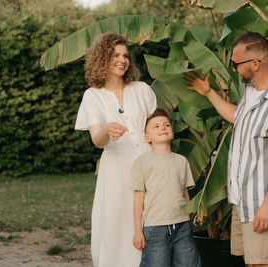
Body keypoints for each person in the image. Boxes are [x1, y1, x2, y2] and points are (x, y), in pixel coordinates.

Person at [184, 32, 268, 267]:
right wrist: (209, 92)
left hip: (261, 202)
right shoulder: (251, 91)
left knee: (261, 264)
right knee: (251, 262)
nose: (234, 69)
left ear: (256, 64)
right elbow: (237, 117)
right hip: (242, 199)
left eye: (236, 64)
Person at [75, 32, 157, 267]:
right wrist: (106, 132)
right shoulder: (92, 96)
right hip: (116, 170)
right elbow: (97, 140)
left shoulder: (142, 90)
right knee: (116, 224)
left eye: (125, 55)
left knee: (148, 222)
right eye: (115, 55)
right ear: (102, 59)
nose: (122, 60)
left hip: (147, 165)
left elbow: (156, 127)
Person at [131, 108, 201, 267]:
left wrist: (189, 218)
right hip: (155, 228)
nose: (163, 127)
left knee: (189, 264)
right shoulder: (143, 162)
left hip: (182, 225)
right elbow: (138, 198)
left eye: (166, 125)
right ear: (147, 138)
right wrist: (137, 231)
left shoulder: (181, 161)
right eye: (156, 126)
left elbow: (185, 192)